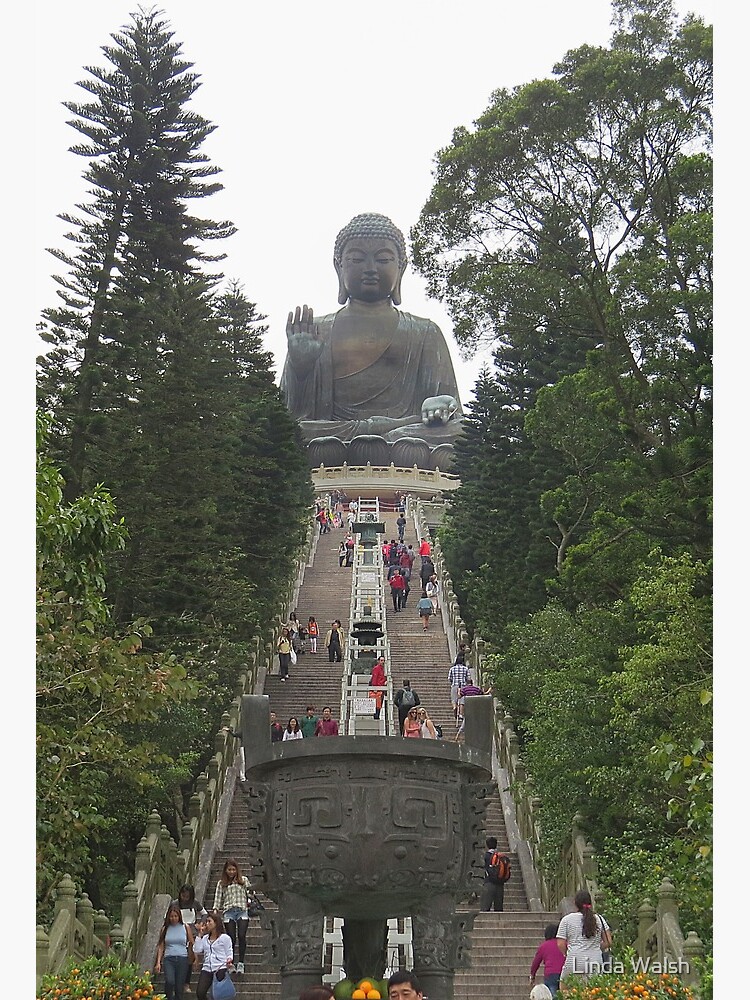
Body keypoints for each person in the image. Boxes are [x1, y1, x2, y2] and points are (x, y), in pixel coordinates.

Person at [280, 213, 463, 455]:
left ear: (401, 267)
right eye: (356, 259)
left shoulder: (424, 331)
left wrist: (440, 404)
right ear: (339, 266)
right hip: (335, 435)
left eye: (383, 259)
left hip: (404, 434)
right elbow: (285, 416)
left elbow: (450, 408)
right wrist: (299, 369)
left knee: (463, 431)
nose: (370, 269)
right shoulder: (316, 330)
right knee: (288, 435)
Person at [556, 889, 611, 982]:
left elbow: (560, 944)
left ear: (575, 903)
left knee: (565, 987)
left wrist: (567, 953)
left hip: (574, 959)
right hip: (595, 960)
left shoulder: (567, 919)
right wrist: (595, 947)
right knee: (593, 991)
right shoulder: (599, 918)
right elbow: (608, 941)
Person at [213, 860, 250, 974]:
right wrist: (215, 910)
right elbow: (218, 897)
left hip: (242, 910)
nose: (231, 872)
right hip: (228, 911)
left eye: (233, 869)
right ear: (225, 870)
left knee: (242, 935)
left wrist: (249, 901)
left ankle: (241, 962)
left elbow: (250, 892)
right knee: (231, 938)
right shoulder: (221, 883)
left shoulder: (243, 880)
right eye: (229, 869)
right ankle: (231, 962)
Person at [154, 903, 194, 1000]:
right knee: (170, 981)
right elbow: (161, 945)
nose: (174, 918)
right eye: (171, 916)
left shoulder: (185, 927)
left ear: (179, 916)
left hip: (182, 959)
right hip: (169, 959)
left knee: (179, 986)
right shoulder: (165, 929)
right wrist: (158, 962)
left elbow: (192, 943)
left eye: (175, 916)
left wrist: (193, 957)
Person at [191, 910, 234, 1000]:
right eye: (206, 921)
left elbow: (229, 951)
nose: (207, 924)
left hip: (220, 967)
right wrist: (200, 935)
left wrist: (229, 960)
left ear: (216, 923)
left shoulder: (224, 938)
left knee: (218, 994)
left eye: (209, 921)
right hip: (207, 968)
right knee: (200, 992)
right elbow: (197, 950)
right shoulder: (205, 939)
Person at [530, 923, 565, 997]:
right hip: (564, 972)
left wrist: (532, 975)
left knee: (552, 995)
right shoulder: (563, 944)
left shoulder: (544, 946)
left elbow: (536, 962)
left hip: (551, 974)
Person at [480, 836, 510, 912]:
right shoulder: (501, 856)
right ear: (496, 845)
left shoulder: (485, 856)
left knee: (485, 908)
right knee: (499, 909)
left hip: (489, 883)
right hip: (500, 884)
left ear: (487, 845)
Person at [448, 658, 470, 723]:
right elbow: (468, 678)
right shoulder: (465, 668)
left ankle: (454, 707)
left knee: (454, 699)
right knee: (462, 700)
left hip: (454, 685)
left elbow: (449, 678)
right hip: (463, 686)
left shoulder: (452, 668)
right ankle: (460, 713)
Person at [369, 655, 387, 720]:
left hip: (381, 688)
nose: (383, 662)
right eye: (381, 660)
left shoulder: (383, 669)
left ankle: (377, 715)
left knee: (379, 703)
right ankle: (376, 715)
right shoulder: (377, 668)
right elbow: (375, 678)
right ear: (378, 661)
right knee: (377, 703)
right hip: (378, 688)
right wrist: (374, 688)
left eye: (383, 660)